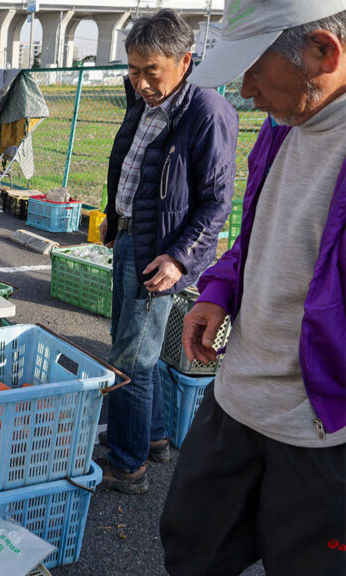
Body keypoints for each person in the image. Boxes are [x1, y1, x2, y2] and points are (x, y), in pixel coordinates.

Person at [160, 2, 346, 576]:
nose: (246, 91)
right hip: (240, 392)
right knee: (195, 546)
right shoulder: (283, 124)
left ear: (324, 51)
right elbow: (256, 232)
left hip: (324, 425)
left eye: (255, 70)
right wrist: (220, 289)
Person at [96, 9, 238, 494]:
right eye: (133, 71)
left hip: (161, 251)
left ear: (185, 60)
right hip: (133, 237)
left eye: (150, 70)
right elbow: (132, 170)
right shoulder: (144, 103)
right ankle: (152, 438)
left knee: (130, 360)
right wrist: (117, 225)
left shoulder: (207, 113)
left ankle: (126, 464)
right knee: (137, 349)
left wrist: (180, 258)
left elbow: (217, 201)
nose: (140, 82)